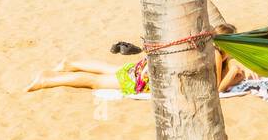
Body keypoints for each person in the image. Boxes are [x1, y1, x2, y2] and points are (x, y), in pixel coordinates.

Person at [27, 33, 250, 95]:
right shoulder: (215, 57)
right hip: (145, 79)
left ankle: (70, 62)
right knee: (96, 83)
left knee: (112, 69)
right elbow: (216, 90)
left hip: (147, 67)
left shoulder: (201, 46)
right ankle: (48, 80)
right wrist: (232, 77)